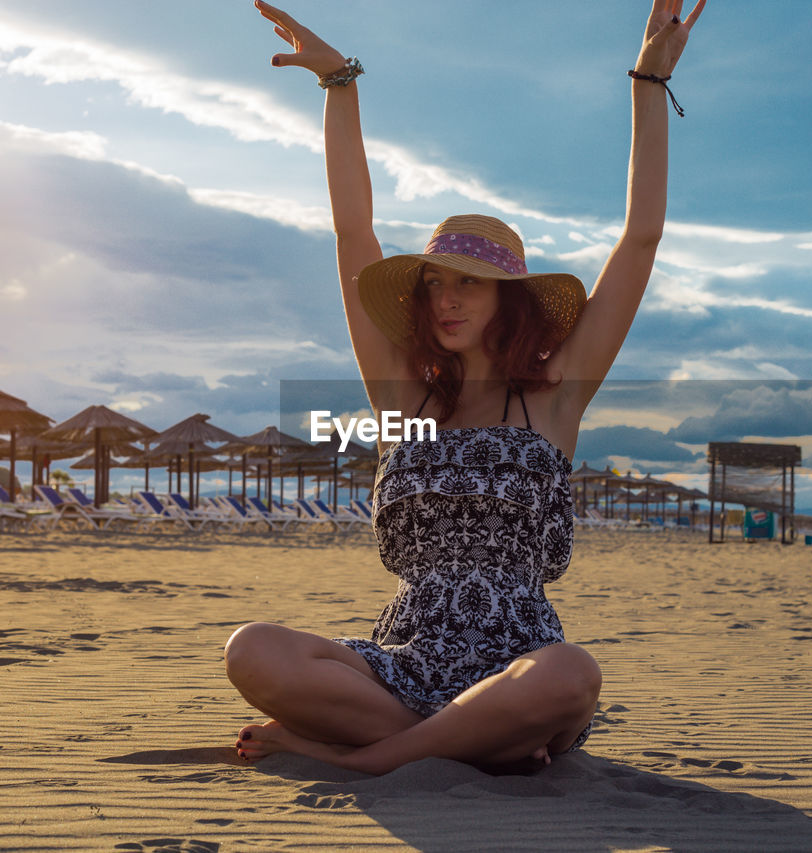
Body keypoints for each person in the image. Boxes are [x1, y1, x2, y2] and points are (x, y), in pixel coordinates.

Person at [226, 0, 709, 775]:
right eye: (437, 284)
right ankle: (453, 745)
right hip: (404, 661)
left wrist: (648, 82)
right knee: (252, 648)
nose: (447, 299)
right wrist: (339, 84)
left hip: (519, 666)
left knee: (574, 674)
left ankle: (368, 758)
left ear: (509, 302)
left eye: (471, 285)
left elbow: (640, 238)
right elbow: (354, 234)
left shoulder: (552, 402)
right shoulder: (403, 405)